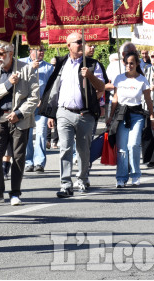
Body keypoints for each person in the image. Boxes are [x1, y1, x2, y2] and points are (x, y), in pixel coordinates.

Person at [39, 32, 106, 197]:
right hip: (64, 113)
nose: (82, 44)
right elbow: (54, 89)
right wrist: (50, 114)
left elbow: (101, 87)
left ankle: (82, 179)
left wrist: (89, 75)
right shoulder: (61, 64)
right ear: (68, 45)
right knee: (65, 149)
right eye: (78, 42)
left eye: (83, 41)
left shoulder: (92, 64)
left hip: (85, 114)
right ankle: (66, 184)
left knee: (83, 151)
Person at [0, 41, 39, 206]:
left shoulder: (26, 68)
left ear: (11, 53)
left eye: (1, 54)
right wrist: (7, 85)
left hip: (20, 119)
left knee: (18, 157)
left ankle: (15, 193)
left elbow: (34, 97)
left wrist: (19, 113)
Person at [108, 51, 154, 187]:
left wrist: (151, 117)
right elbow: (115, 99)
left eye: (132, 63)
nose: (129, 66)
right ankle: (121, 178)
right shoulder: (119, 78)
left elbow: (148, 100)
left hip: (137, 115)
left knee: (133, 145)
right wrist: (110, 116)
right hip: (121, 114)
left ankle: (135, 174)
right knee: (122, 148)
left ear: (137, 64)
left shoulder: (142, 80)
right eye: (127, 63)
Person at [21, 45, 54, 172]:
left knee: (41, 133)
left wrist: (45, 101)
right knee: (27, 134)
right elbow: (18, 80)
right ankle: (28, 161)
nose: (42, 52)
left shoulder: (48, 67)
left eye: (43, 50)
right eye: (39, 50)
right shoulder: (22, 63)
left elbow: (51, 88)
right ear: (31, 51)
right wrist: (31, 68)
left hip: (41, 106)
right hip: (26, 105)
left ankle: (39, 162)